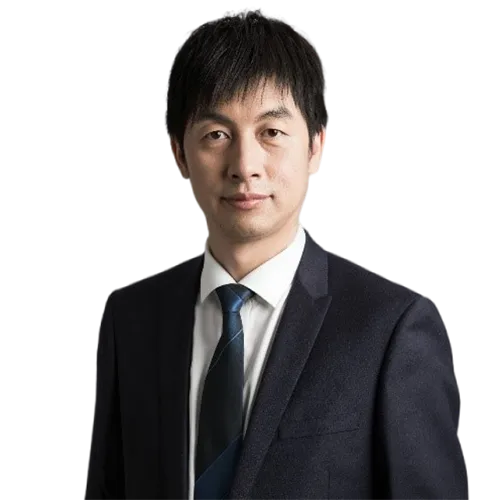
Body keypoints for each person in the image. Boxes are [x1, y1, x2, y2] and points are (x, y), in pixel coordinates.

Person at [87, 7, 470, 500]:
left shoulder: (390, 329)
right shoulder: (132, 320)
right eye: (217, 135)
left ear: (315, 148)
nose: (245, 165)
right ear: (180, 156)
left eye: (271, 132)